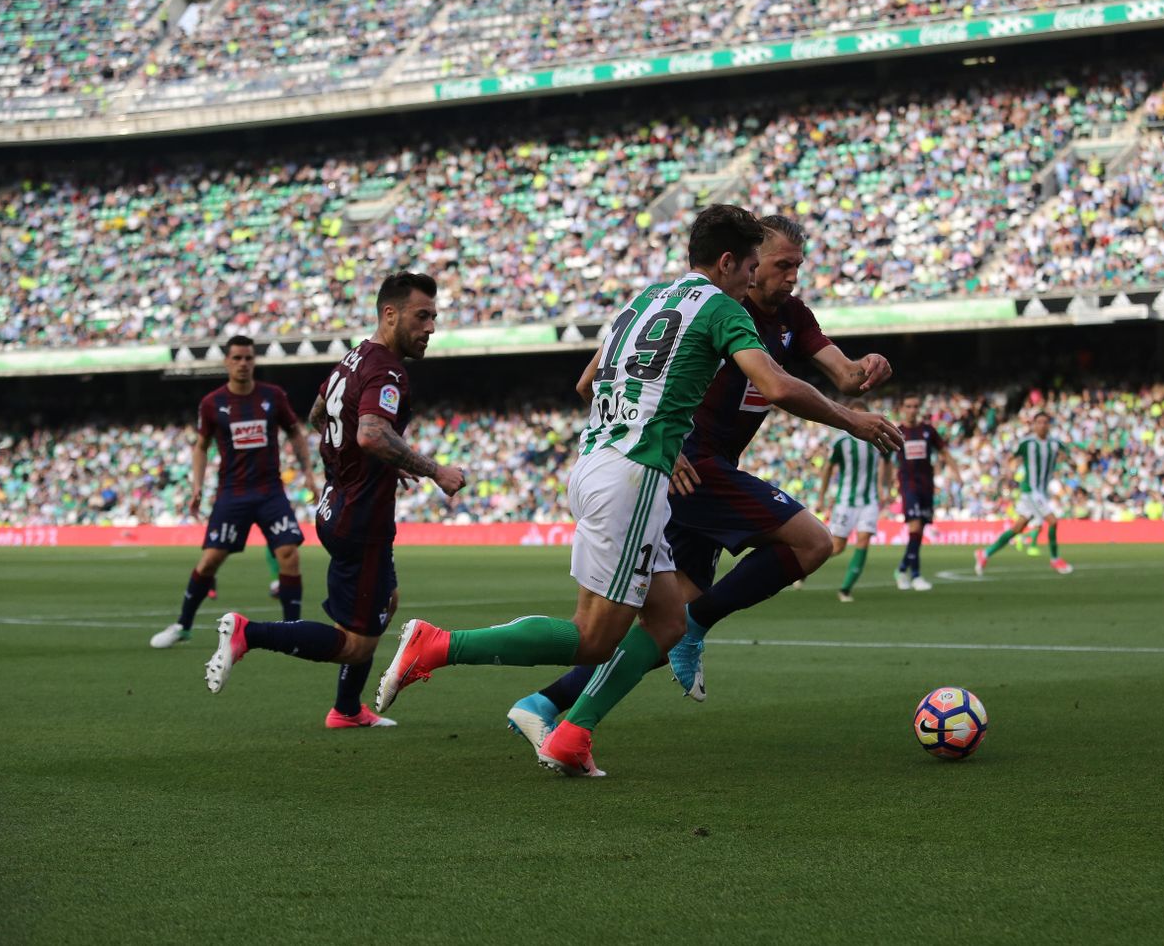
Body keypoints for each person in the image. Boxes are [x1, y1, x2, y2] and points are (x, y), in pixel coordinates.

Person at [372, 205, 903, 776]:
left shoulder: (647, 298)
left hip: (608, 462)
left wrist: (656, 431)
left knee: (670, 620)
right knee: (593, 637)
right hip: (634, 478)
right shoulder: (723, 308)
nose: (754, 279)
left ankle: (570, 734)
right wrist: (852, 420)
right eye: (753, 266)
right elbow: (774, 384)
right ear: (728, 262)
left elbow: (586, 382)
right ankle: (438, 646)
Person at [505, 214, 894, 743]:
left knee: (662, 624)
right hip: (688, 466)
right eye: (780, 265)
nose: (790, 276)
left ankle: (547, 704)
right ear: (744, 265)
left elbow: (846, 376)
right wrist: (658, 440)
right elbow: (592, 381)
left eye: (796, 267)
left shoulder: (793, 316)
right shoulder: (708, 308)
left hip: (706, 470)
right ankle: (696, 625)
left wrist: (867, 367)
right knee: (813, 542)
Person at [201, 273, 468, 728]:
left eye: (434, 317)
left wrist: (381, 460)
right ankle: (250, 633)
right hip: (361, 518)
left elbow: (319, 413)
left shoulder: (353, 357)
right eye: (422, 316)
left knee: (390, 598)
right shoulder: (386, 369)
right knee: (356, 644)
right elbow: (369, 432)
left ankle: (347, 708)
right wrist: (435, 470)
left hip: (337, 503)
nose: (431, 328)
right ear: (390, 313)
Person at [149, 336, 316, 649]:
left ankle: (293, 630)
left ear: (254, 361)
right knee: (210, 561)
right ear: (227, 362)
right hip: (232, 494)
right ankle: (183, 625)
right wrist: (197, 486)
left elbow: (295, 431)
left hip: (270, 492)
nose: (243, 364)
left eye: (248, 358)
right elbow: (201, 446)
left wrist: (307, 472)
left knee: (289, 554)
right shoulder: (212, 403)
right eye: (237, 358)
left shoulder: (273, 396)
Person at [975, 411, 1075, 575]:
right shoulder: (1027, 443)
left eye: (1045, 422)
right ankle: (1055, 559)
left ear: (1049, 425)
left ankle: (985, 553)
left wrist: (1066, 459)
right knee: (1053, 521)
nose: (1042, 425)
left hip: (1042, 491)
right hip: (1030, 490)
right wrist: (1009, 471)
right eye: (1039, 422)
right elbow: (1010, 457)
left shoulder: (1055, 443)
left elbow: (1068, 455)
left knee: (1018, 528)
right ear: (1034, 425)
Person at [819, 401, 888, 602]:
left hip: (869, 501)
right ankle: (806, 565)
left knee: (864, 539)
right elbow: (828, 470)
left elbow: (887, 461)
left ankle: (846, 589)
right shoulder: (841, 441)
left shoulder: (876, 438)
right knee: (837, 546)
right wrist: (822, 497)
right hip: (845, 502)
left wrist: (885, 489)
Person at [891, 395, 957, 590]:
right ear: (902, 408)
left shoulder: (928, 431)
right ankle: (916, 575)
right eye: (909, 406)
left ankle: (902, 569)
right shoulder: (897, 432)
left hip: (926, 487)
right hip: (908, 486)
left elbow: (944, 452)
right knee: (915, 527)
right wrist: (883, 485)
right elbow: (885, 460)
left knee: (918, 531)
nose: (912, 409)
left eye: (915, 406)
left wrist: (956, 472)